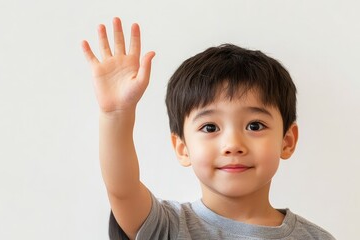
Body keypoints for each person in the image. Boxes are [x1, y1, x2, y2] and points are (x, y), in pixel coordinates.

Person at [81, 17, 335, 240]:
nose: (233, 144)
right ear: (183, 148)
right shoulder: (167, 227)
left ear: (287, 141)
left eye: (255, 125)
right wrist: (116, 114)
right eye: (210, 127)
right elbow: (121, 190)